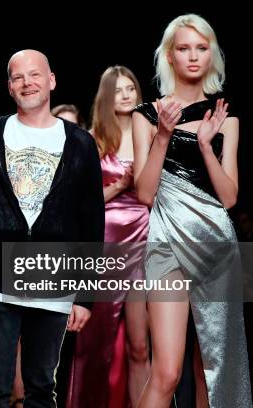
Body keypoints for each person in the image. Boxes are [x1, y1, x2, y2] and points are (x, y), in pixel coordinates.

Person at [0, 49, 104, 407]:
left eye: (34, 75)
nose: (27, 82)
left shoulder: (80, 143)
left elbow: (92, 223)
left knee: (40, 390)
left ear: (51, 81)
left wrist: (86, 298)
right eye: (18, 77)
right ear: (9, 87)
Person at [133, 14, 251, 407]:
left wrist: (205, 145)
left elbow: (230, 198)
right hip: (165, 245)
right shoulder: (146, 116)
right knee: (167, 371)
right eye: (184, 48)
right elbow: (145, 194)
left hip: (216, 244)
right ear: (169, 56)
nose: (193, 56)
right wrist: (164, 135)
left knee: (213, 370)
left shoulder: (225, 117)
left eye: (202, 48)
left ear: (212, 54)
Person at [67, 66, 150, 408]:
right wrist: (121, 185)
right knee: (96, 339)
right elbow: (80, 204)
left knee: (140, 345)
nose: (127, 95)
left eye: (131, 88)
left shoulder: (153, 133)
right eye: (118, 90)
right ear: (106, 98)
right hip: (107, 238)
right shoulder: (92, 138)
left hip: (148, 235)